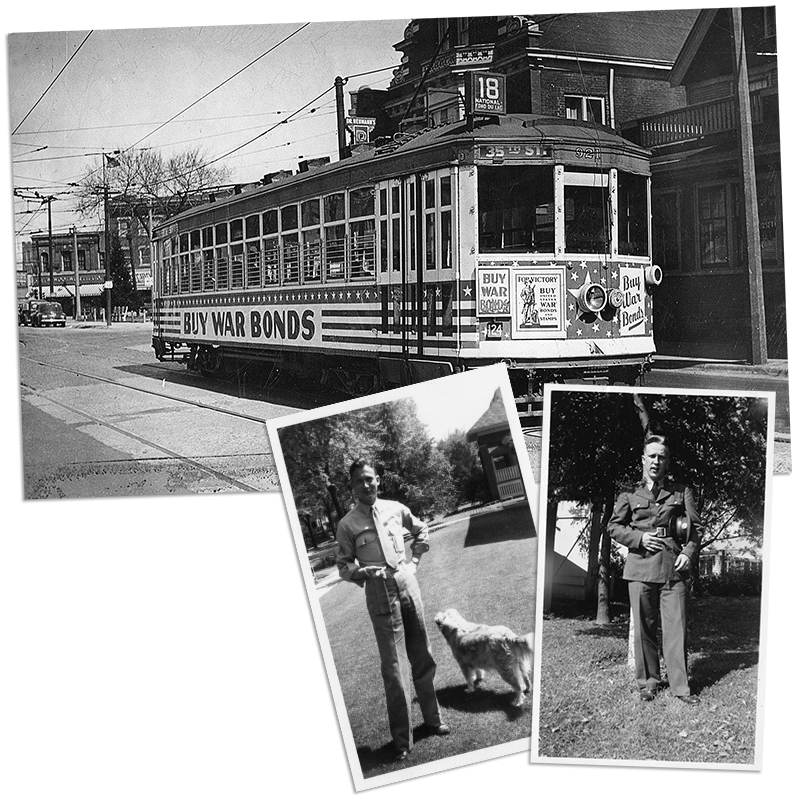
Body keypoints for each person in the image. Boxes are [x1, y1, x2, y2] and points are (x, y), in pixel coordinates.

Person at [335, 459, 449, 761]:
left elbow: (421, 529)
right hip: (379, 592)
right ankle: (402, 740)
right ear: (352, 486)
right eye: (359, 481)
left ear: (378, 481)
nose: (366, 485)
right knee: (394, 669)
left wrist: (414, 563)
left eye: (369, 479)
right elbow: (343, 566)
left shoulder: (396, 509)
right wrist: (363, 574)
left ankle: (433, 720)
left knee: (422, 656)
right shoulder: (347, 524)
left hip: (407, 584)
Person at [608, 434, 702, 705]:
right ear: (643, 460)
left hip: (674, 569)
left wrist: (688, 553)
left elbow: (696, 529)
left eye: (661, 456)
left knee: (677, 629)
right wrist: (638, 539)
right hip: (640, 569)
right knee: (644, 630)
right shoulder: (629, 494)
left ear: (667, 461)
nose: (656, 461)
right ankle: (648, 683)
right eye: (652, 456)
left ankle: (681, 688)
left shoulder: (681, 492)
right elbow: (614, 526)